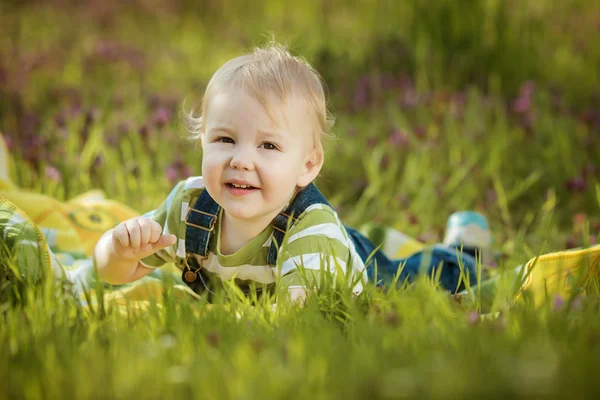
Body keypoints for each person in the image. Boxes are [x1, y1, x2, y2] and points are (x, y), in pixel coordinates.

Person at [93, 43, 477, 303]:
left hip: (361, 278)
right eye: (225, 139)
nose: (241, 160)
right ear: (203, 141)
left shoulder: (312, 234)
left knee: (422, 279)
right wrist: (118, 248)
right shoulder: (190, 209)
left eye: (268, 146)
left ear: (307, 165)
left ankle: (464, 253)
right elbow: (115, 273)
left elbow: (295, 328)